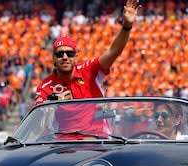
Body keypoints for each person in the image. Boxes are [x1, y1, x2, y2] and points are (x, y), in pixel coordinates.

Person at [33, 0, 141, 138]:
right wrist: (52, 105)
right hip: (64, 148)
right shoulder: (45, 87)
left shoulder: (89, 70)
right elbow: (37, 123)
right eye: (60, 54)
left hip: (97, 142)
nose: (65, 57)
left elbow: (113, 52)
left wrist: (126, 26)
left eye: (69, 53)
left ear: (75, 56)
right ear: (53, 58)